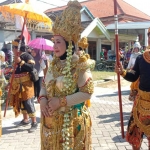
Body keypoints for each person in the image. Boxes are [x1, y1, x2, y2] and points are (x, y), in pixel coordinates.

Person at [39, 1, 94, 149]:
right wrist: (43, 100)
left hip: (71, 123)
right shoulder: (53, 65)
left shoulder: (80, 64)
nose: (54, 46)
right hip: (50, 122)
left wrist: (60, 101)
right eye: (54, 42)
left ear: (69, 44)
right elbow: (44, 84)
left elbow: (87, 93)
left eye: (58, 42)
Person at [115, 28, 150, 150]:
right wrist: (123, 72)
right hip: (140, 103)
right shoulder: (141, 58)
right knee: (135, 135)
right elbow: (134, 76)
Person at [8, 35, 37, 133]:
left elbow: (31, 68)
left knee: (29, 103)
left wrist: (21, 62)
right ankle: (26, 120)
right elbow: (14, 71)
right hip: (17, 85)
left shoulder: (26, 56)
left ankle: (34, 122)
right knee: (22, 103)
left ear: (18, 48)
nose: (13, 49)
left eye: (14, 47)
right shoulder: (15, 57)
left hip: (26, 84)